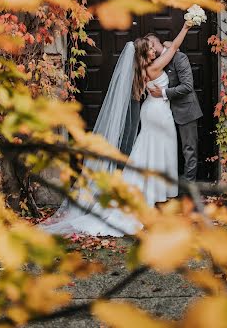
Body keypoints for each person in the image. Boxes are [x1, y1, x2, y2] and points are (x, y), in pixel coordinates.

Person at [40, 21, 192, 237]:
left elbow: (166, 47)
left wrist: (162, 43)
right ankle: (145, 194)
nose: (153, 50)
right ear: (143, 54)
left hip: (152, 111)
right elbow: (173, 47)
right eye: (149, 48)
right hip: (158, 113)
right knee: (154, 152)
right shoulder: (154, 67)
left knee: (147, 151)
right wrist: (185, 27)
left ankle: (146, 193)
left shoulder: (142, 69)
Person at [146, 33, 202, 185]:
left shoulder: (179, 57)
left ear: (154, 43)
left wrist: (163, 93)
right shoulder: (153, 61)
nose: (149, 49)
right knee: (167, 148)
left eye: (150, 46)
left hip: (186, 109)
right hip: (164, 112)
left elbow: (187, 86)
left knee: (189, 148)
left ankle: (189, 183)